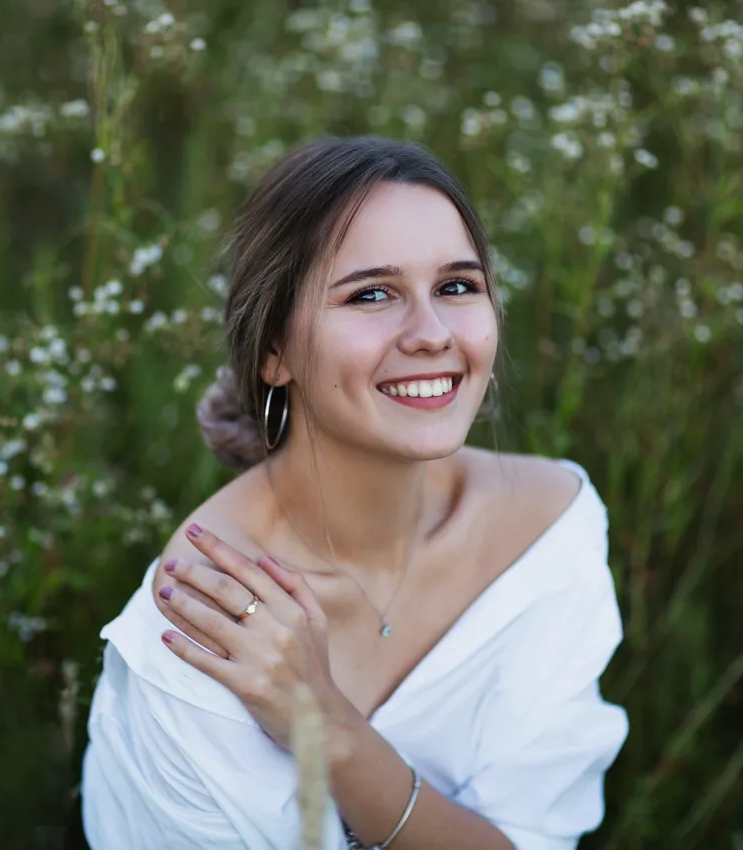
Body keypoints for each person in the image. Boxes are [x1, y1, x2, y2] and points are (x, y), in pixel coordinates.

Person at [80, 136, 628, 850]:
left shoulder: (548, 535)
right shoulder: (200, 631)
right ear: (274, 350)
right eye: (373, 294)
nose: (432, 334)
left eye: (458, 286)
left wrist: (329, 729)